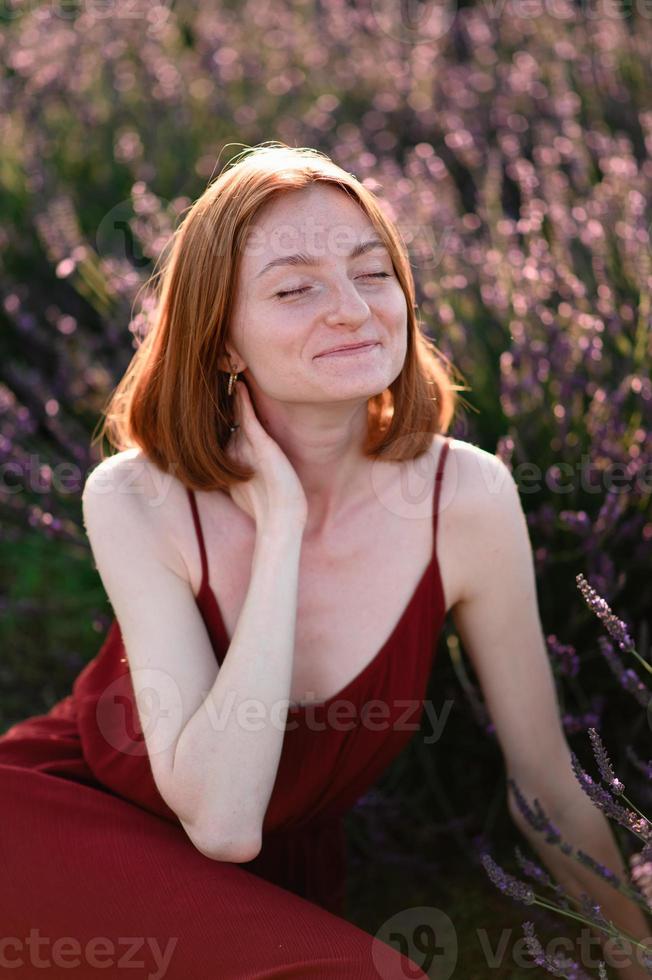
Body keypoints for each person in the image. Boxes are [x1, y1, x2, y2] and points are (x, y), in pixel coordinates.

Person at [3, 143, 643, 978]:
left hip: (264, 887)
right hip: (54, 831)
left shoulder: (468, 499)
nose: (351, 309)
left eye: (373, 274)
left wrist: (638, 957)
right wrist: (281, 531)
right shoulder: (136, 498)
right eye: (295, 288)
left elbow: (547, 789)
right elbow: (224, 823)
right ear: (222, 342)